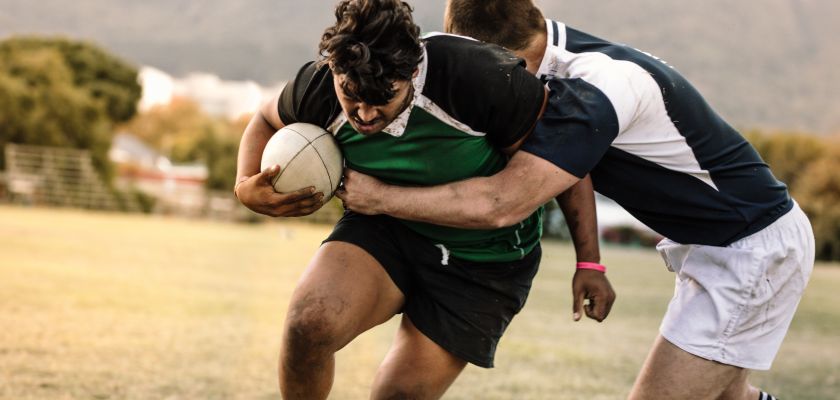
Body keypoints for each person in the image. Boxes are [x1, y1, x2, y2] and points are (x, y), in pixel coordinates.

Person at [337, 1, 816, 399]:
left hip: (750, 250)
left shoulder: (597, 85)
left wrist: (378, 197)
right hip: (728, 244)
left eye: (475, 66)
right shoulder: (557, 65)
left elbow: (503, 204)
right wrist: (591, 262)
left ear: (492, 55)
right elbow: (572, 162)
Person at [233, 0, 591, 398]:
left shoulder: (482, 77)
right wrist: (245, 185)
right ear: (334, 70)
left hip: (483, 261)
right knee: (308, 326)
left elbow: (567, 159)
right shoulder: (317, 87)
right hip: (384, 231)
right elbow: (266, 118)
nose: (364, 113)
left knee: (397, 396)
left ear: (414, 69)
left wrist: (590, 260)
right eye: (351, 95)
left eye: (382, 97)